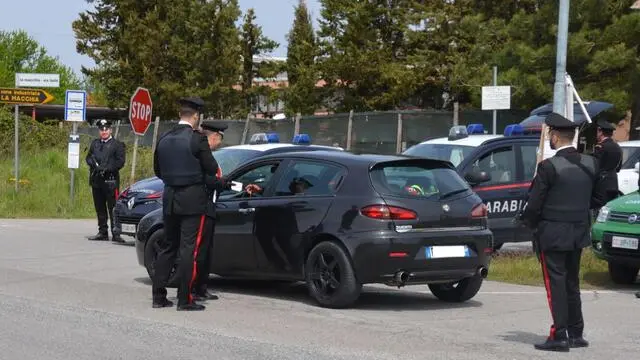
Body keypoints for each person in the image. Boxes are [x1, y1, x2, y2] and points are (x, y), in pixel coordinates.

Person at [521, 112, 606, 352]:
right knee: (571, 282)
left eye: (550, 135)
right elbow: (598, 197)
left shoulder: (548, 167)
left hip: (552, 233)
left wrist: (528, 222)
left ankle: (559, 334)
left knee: (555, 285)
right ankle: (576, 332)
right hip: (578, 231)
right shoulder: (591, 163)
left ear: (555, 137)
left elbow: (534, 204)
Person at [151, 97, 219, 311]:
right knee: (189, 249)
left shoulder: (163, 137)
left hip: (170, 197)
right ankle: (185, 298)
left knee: (168, 246)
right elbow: (211, 168)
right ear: (196, 116)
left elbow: (158, 170)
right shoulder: (196, 139)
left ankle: (158, 296)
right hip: (193, 200)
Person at [191, 120, 229, 301]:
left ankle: (201, 287)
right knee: (199, 251)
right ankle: (192, 288)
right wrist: (225, 183)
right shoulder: (202, 156)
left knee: (206, 251)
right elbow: (210, 180)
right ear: (214, 137)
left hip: (210, 209)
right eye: (220, 138)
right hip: (202, 209)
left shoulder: (210, 156)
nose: (220, 143)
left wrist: (243, 188)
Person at [85, 119, 126, 243]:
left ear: (110, 130)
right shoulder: (95, 144)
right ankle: (102, 231)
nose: (104, 132)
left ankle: (116, 233)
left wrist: (108, 168)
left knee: (113, 207)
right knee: (100, 207)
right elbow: (88, 158)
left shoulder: (117, 144)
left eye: (106, 129)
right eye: (101, 130)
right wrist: (93, 164)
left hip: (110, 181)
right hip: (97, 180)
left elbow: (120, 161)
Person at [593, 119, 622, 203]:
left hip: (601, 183)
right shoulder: (617, 147)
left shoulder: (600, 147)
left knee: (599, 209)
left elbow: (595, 166)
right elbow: (618, 167)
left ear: (600, 132)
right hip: (613, 181)